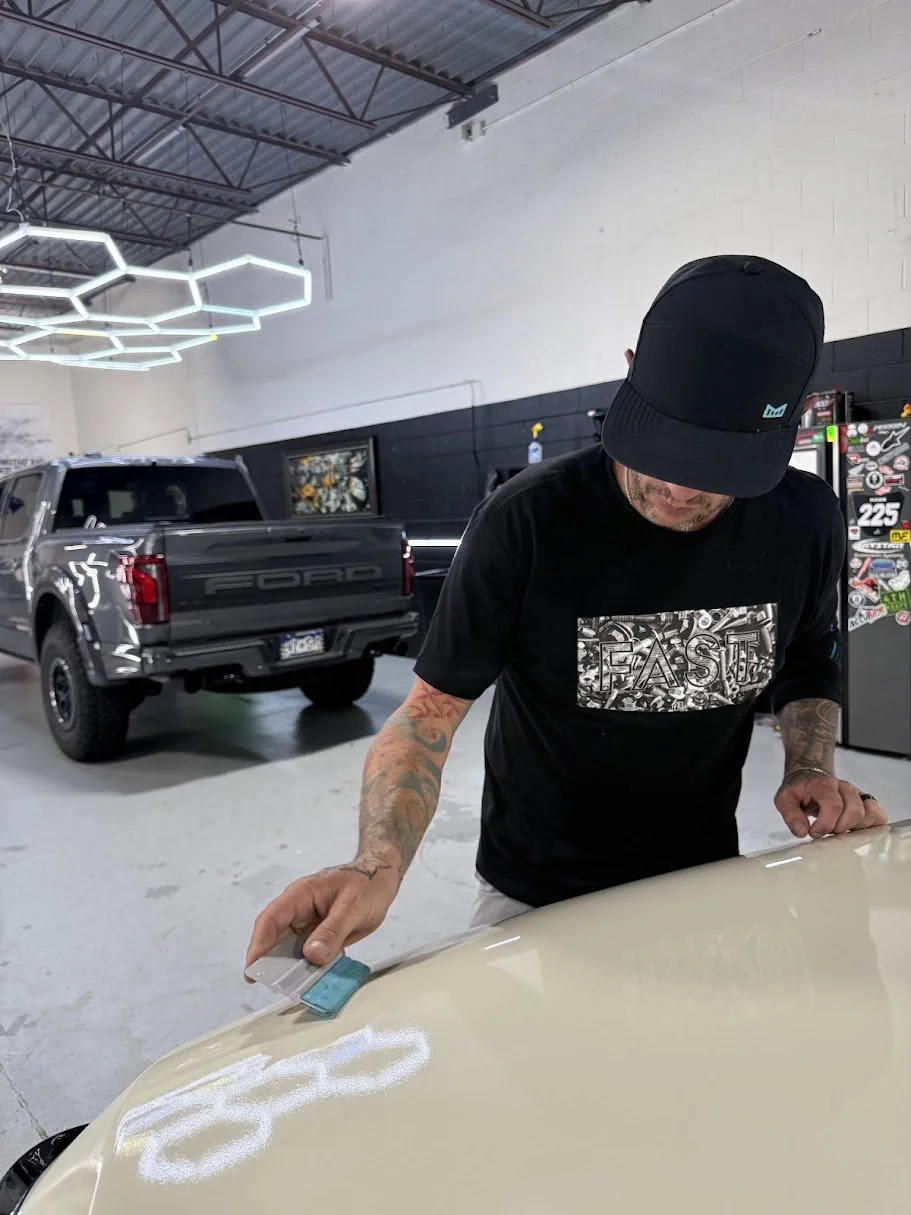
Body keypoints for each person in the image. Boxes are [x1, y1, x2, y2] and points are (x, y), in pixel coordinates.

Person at [246, 254, 889, 972]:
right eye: (665, 444)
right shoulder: (526, 522)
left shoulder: (803, 522)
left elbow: (807, 654)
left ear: (786, 425)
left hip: (701, 876)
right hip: (537, 893)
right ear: (628, 371)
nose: (677, 486)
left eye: (714, 464)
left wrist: (807, 766)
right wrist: (376, 861)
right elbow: (427, 713)